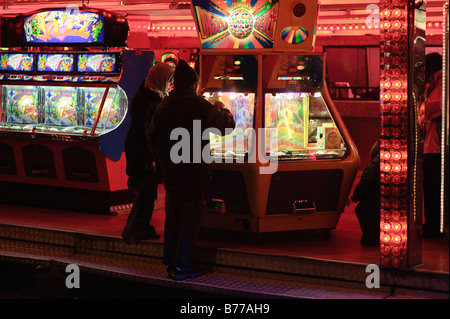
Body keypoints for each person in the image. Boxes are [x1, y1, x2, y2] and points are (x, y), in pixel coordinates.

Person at [150, 60, 235, 280]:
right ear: (193, 84)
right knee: (189, 219)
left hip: (171, 170)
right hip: (194, 170)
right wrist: (222, 108)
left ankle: (170, 260)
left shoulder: (162, 106)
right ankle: (182, 266)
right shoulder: (199, 105)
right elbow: (227, 127)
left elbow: (152, 136)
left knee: (173, 217)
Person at [121, 62, 174, 242]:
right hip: (141, 152)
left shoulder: (155, 95)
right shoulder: (143, 99)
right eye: (168, 80)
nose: (170, 84)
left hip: (149, 150)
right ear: (160, 79)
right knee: (145, 191)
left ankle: (142, 226)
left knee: (149, 192)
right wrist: (149, 158)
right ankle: (132, 229)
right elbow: (141, 131)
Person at [420, 52, 443, 238]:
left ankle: (433, 226)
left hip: (435, 147)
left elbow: (431, 109)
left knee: (433, 190)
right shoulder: (437, 85)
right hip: (435, 146)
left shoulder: (442, 84)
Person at [351, 140, 380, 246]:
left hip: (374, 206)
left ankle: (371, 237)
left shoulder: (373, 168)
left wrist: (355, 197)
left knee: (361, 209)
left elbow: (364, 185)